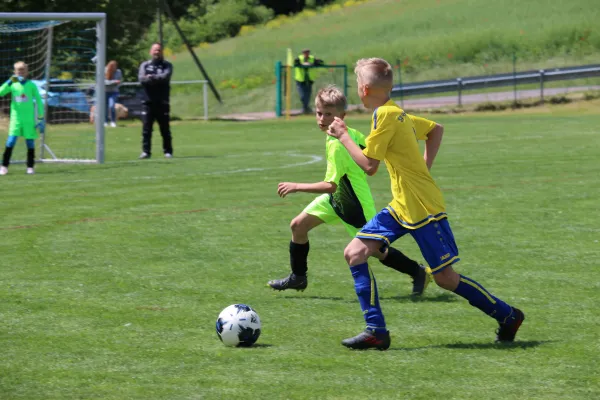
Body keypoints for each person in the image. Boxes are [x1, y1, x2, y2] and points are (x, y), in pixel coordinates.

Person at [326, 58, 525, 350]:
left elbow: (369, 165)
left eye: (358, 85)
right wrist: (423, 168)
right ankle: (376, 330)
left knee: (445, 278)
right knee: (354, 253)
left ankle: (508, 315)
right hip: (403, 205)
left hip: (423, 208)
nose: (357, 91)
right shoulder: (396, 114)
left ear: (365, 89)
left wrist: (344, 136)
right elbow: (436, 129)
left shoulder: (386, 116)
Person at [268, 85, 436, 296]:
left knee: (376, 250)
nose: (322, 119)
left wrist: (296, 186)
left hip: (354, 204)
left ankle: (418, 271)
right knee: (298, 226)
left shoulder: (338, 144)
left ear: (342, 115)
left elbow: (331, 185)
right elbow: (368, 153)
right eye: (319, 113)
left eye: (328, 114)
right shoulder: (350, 134)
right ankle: (298, 277)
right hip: (336, 199)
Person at [0, 61, 44, 176]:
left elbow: (39, 101)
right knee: (10, 142)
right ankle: (4, 166)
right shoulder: (13, 83)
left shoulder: (31, 85)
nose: (20, 72)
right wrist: (8, 81)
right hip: (16, 119)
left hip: (29, 119)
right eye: (18, 71)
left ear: (26, 72)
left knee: (30, 143)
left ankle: (30, 167)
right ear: (14, 72)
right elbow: (0, 92)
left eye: (22, 71)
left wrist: (41, 117)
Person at [138, 43, 173, 159]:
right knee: (146, 129)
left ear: (161, 52)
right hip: (147, 102)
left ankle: (168, 151)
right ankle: (146, 152)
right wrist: (155, 78)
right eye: (154, 50)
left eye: (158, 50)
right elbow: (142, 79)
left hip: (162, 102)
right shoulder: (144, 65)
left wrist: (151, 77)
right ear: (150, 52)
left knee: (165, 129)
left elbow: (165, 77)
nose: (156, 52)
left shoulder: (167, 65)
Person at [294, 48, 323, 114]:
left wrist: (315, 63)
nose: (306, 54)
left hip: (309, 80)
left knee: (308, 94)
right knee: (302, 96)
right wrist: (302, 64)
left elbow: (320, 63)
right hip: (300, 80)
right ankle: (306, 108)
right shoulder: (299, 59)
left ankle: (306, 109)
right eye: (305, 52)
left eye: (307, 52)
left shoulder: (312, 58)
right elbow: (295, 64)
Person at [104, 60, 123, 128]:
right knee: (105, 107)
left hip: (114, 92)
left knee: (112, 106)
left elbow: (120, 82)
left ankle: (113, 121)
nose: (115, 68)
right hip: (105, 92)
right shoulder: (105, 70)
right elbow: (104, 82)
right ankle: (105, 122)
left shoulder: (118, 72)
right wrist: (114, 82)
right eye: (114, 66)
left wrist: (117, 84)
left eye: (116, 66)